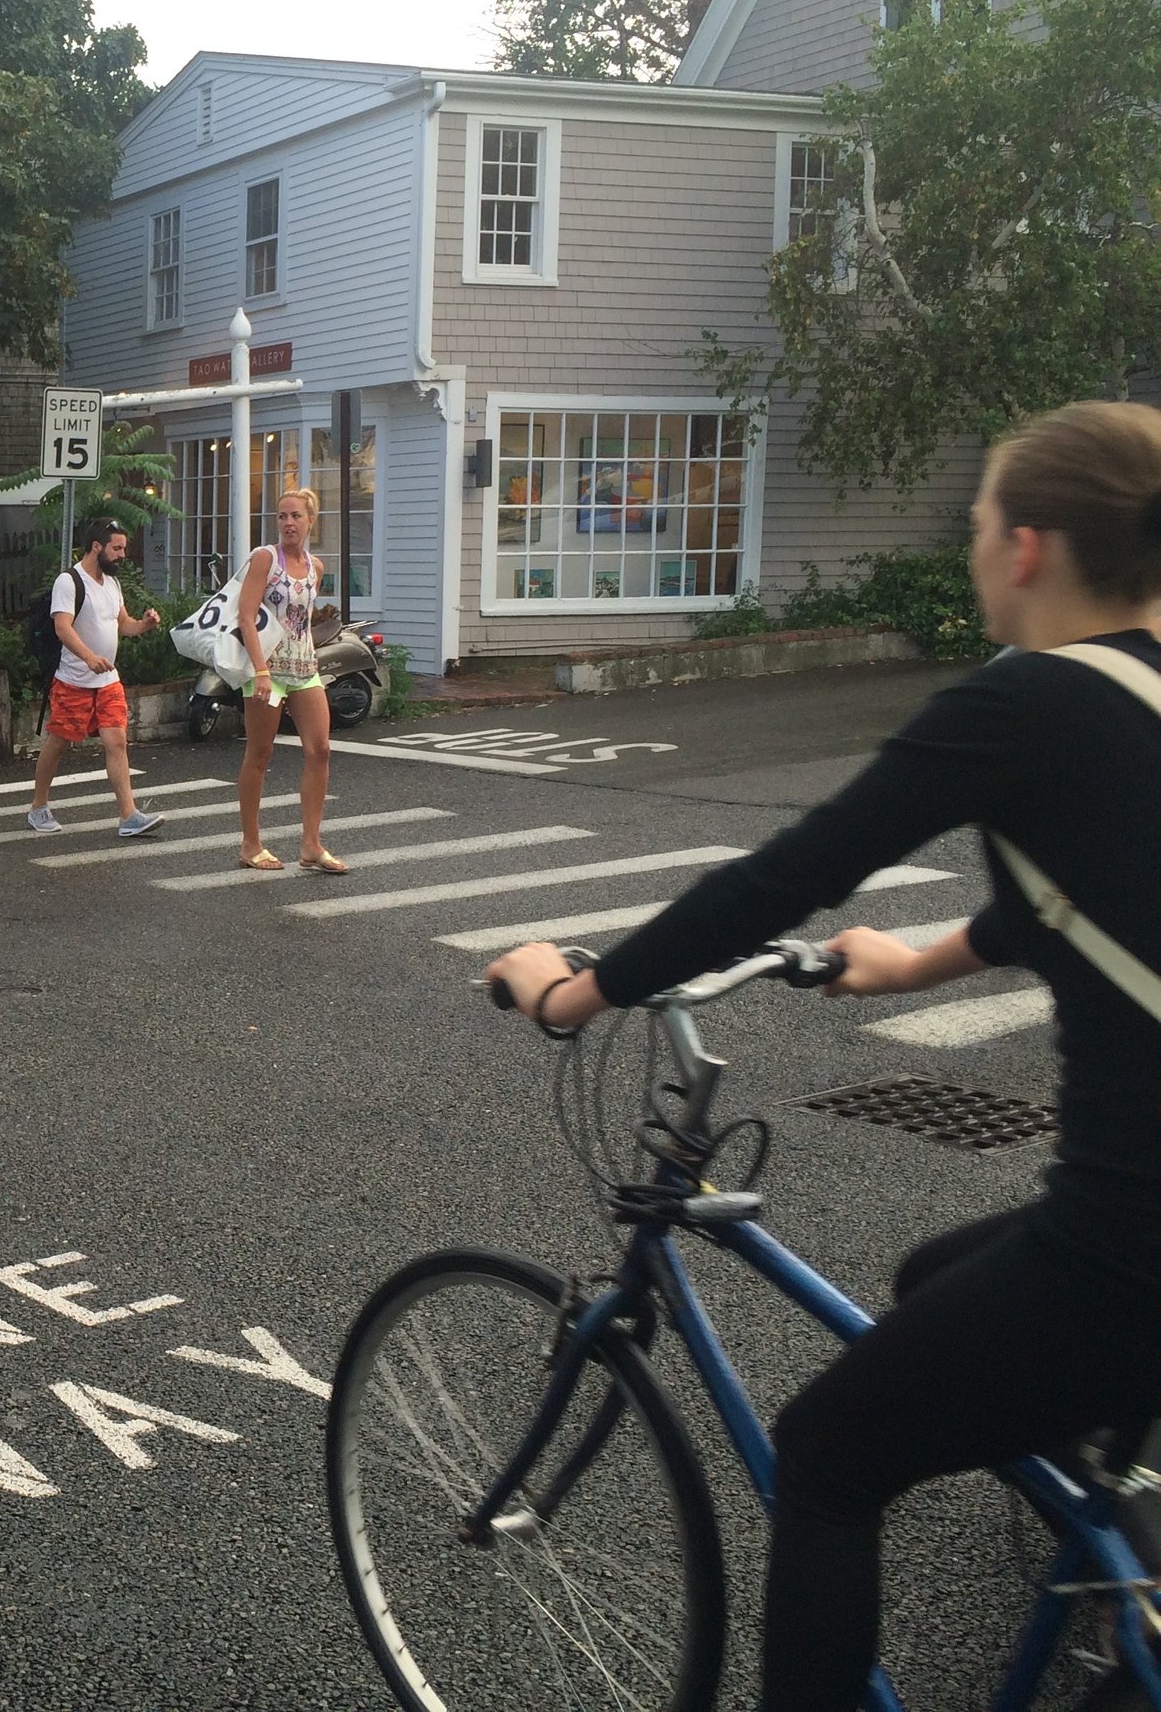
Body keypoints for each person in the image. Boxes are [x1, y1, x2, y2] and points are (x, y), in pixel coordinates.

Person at [485, 400, 1161, 1712]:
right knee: (932, 1275)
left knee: (832, 1450)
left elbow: (790, 869)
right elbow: (1092, 895)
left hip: (1130, 1240)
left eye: (975, 524)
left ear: (1024, 547)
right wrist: (913, 962)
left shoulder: (1024, 699)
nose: (972, 549)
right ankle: (1107, 1545)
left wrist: (584, 989)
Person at [230, 488, 347, 874]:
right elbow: (246, 616)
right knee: (260, 754)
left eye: (295, 516)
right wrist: (261, 670)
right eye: (282, 516)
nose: (288, 523)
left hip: (304, 666)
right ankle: (251, 844)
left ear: (311, 520)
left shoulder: (316, 566)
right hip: (267, 669)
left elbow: (302, 619)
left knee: (321, 749)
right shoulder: (266, 558)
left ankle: (311, 844)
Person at [28, 518, 166, 838]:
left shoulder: (112, 584)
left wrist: (144, 624)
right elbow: (62, 627)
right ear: (96, 547)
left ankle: (128, 816)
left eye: (123, 549)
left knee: (116, 740)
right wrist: (88, 657)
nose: (122, 555)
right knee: (59, 742)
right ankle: (38, 806)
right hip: (73, 679)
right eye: (117, 548)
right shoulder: (69, 581)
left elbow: (123, 625)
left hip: (107, 681)